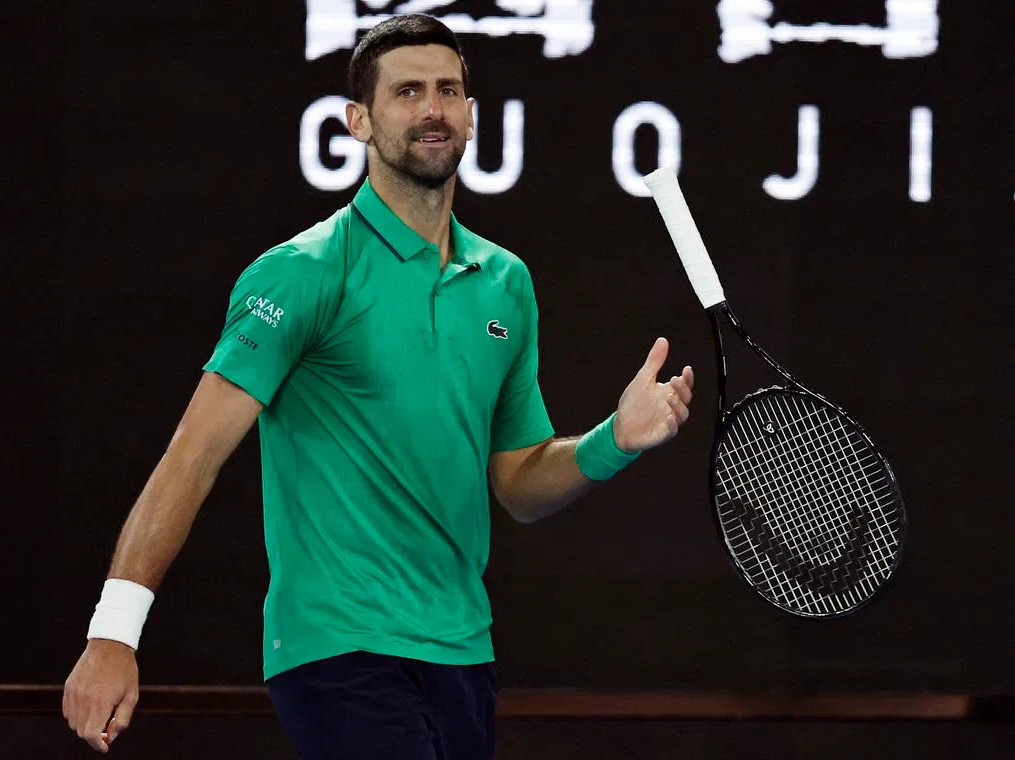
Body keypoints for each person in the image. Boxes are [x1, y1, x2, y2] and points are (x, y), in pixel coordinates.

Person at [62, 13, 694, 759]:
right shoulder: (300, 273)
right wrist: (114, 631)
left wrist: (611, 441)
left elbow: (520, 483)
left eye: (449, 91)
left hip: (462, 650)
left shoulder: (505, 283)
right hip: (336, 646)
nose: (433, 109)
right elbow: (191, 457)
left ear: (469, 114)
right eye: (407, 92)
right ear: (359, 121)